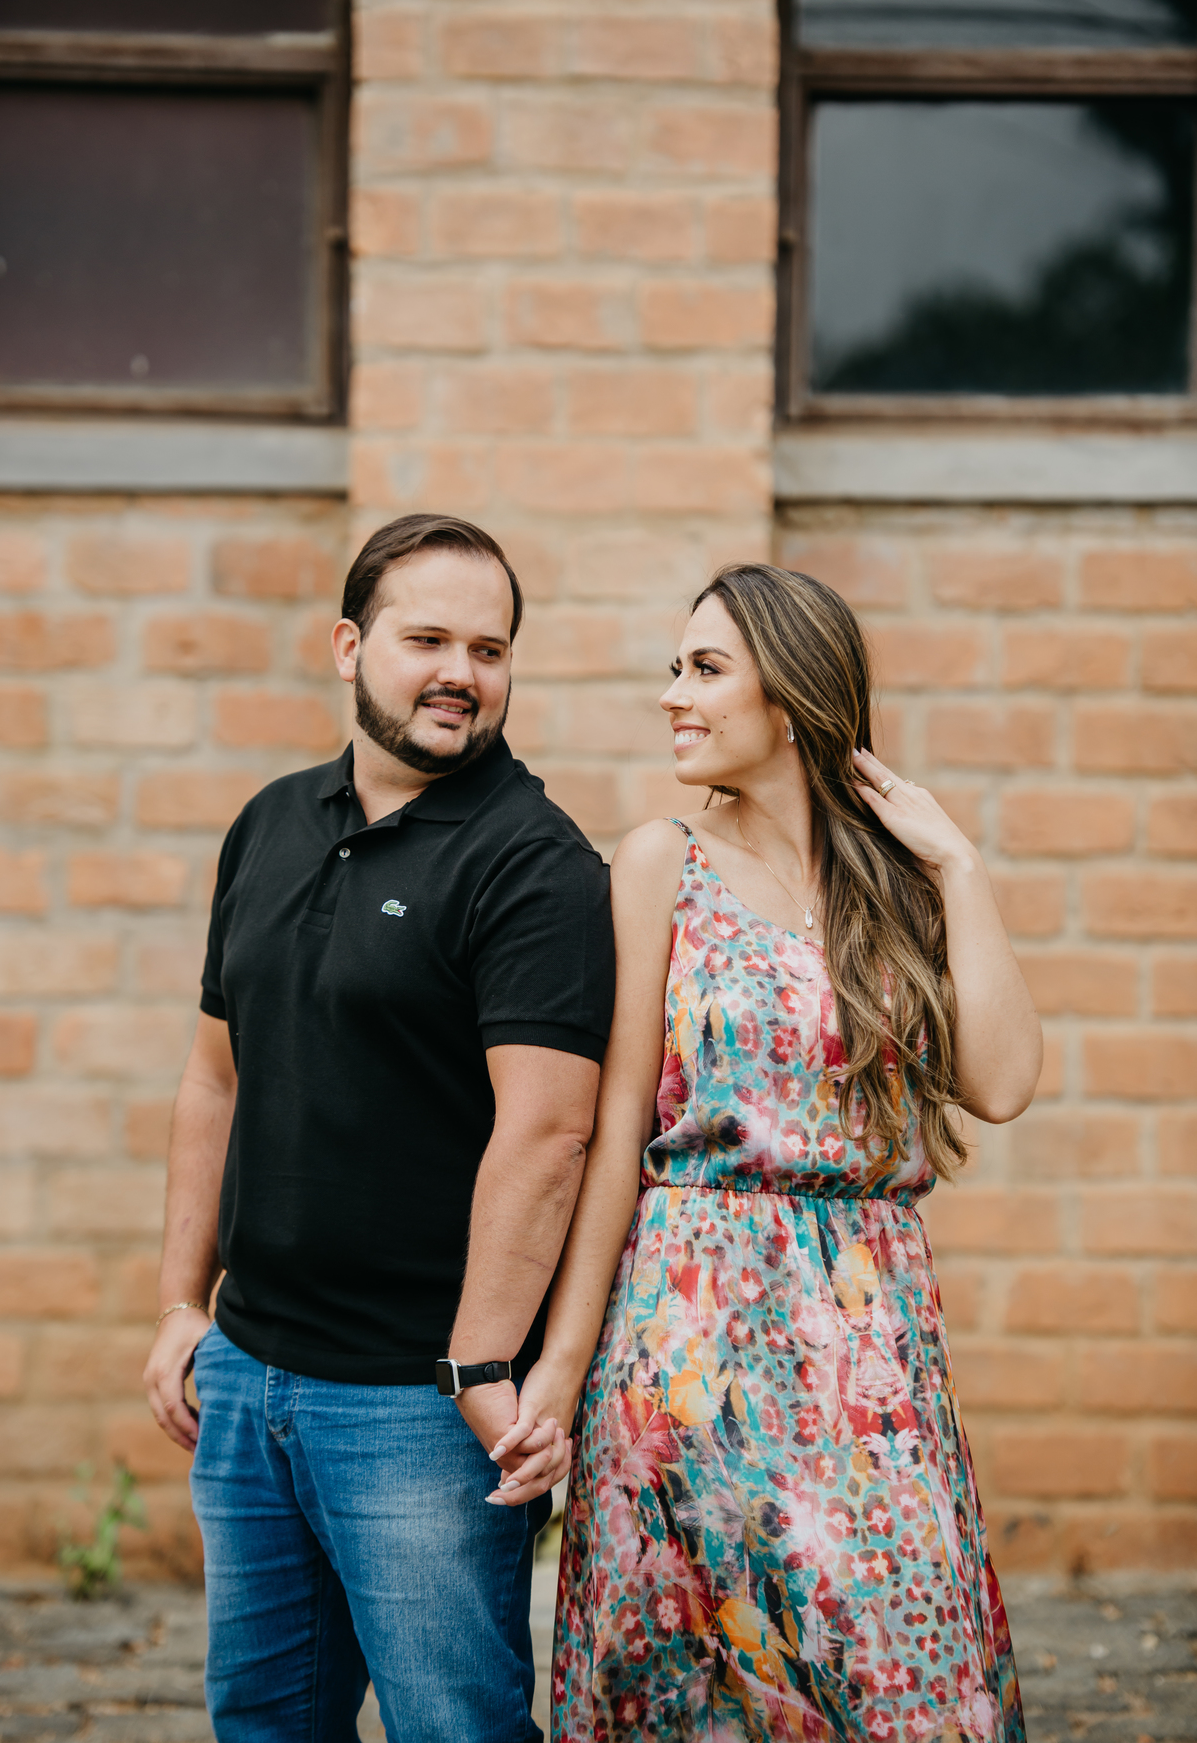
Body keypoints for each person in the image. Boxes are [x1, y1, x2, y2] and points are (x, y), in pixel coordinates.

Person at [490, 564, 1042, 1742]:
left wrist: (960, 866)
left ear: (788, 699)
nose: (670, 696)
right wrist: (564, 1364)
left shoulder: (892, 884)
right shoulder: (659, 863)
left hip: (869, 1337)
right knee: (694, 1686)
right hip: (690, 1339)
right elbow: (620, 1129)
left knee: (905, 1675)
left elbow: (1001, 1081)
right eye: (673, 668)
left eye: (703, 669)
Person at [142, 513, 615, 1743]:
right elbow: (214, 1079)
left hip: (415, 1403)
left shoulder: (536, 865)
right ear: (350, 645)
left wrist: (476, 1366)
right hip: (248, 1378)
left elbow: (551, 1132)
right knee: (261, 1718)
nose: (462, 670)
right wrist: (181, 1305)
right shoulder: (271, 822)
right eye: (429, 638)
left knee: (451, 1724)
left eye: (491, 648)